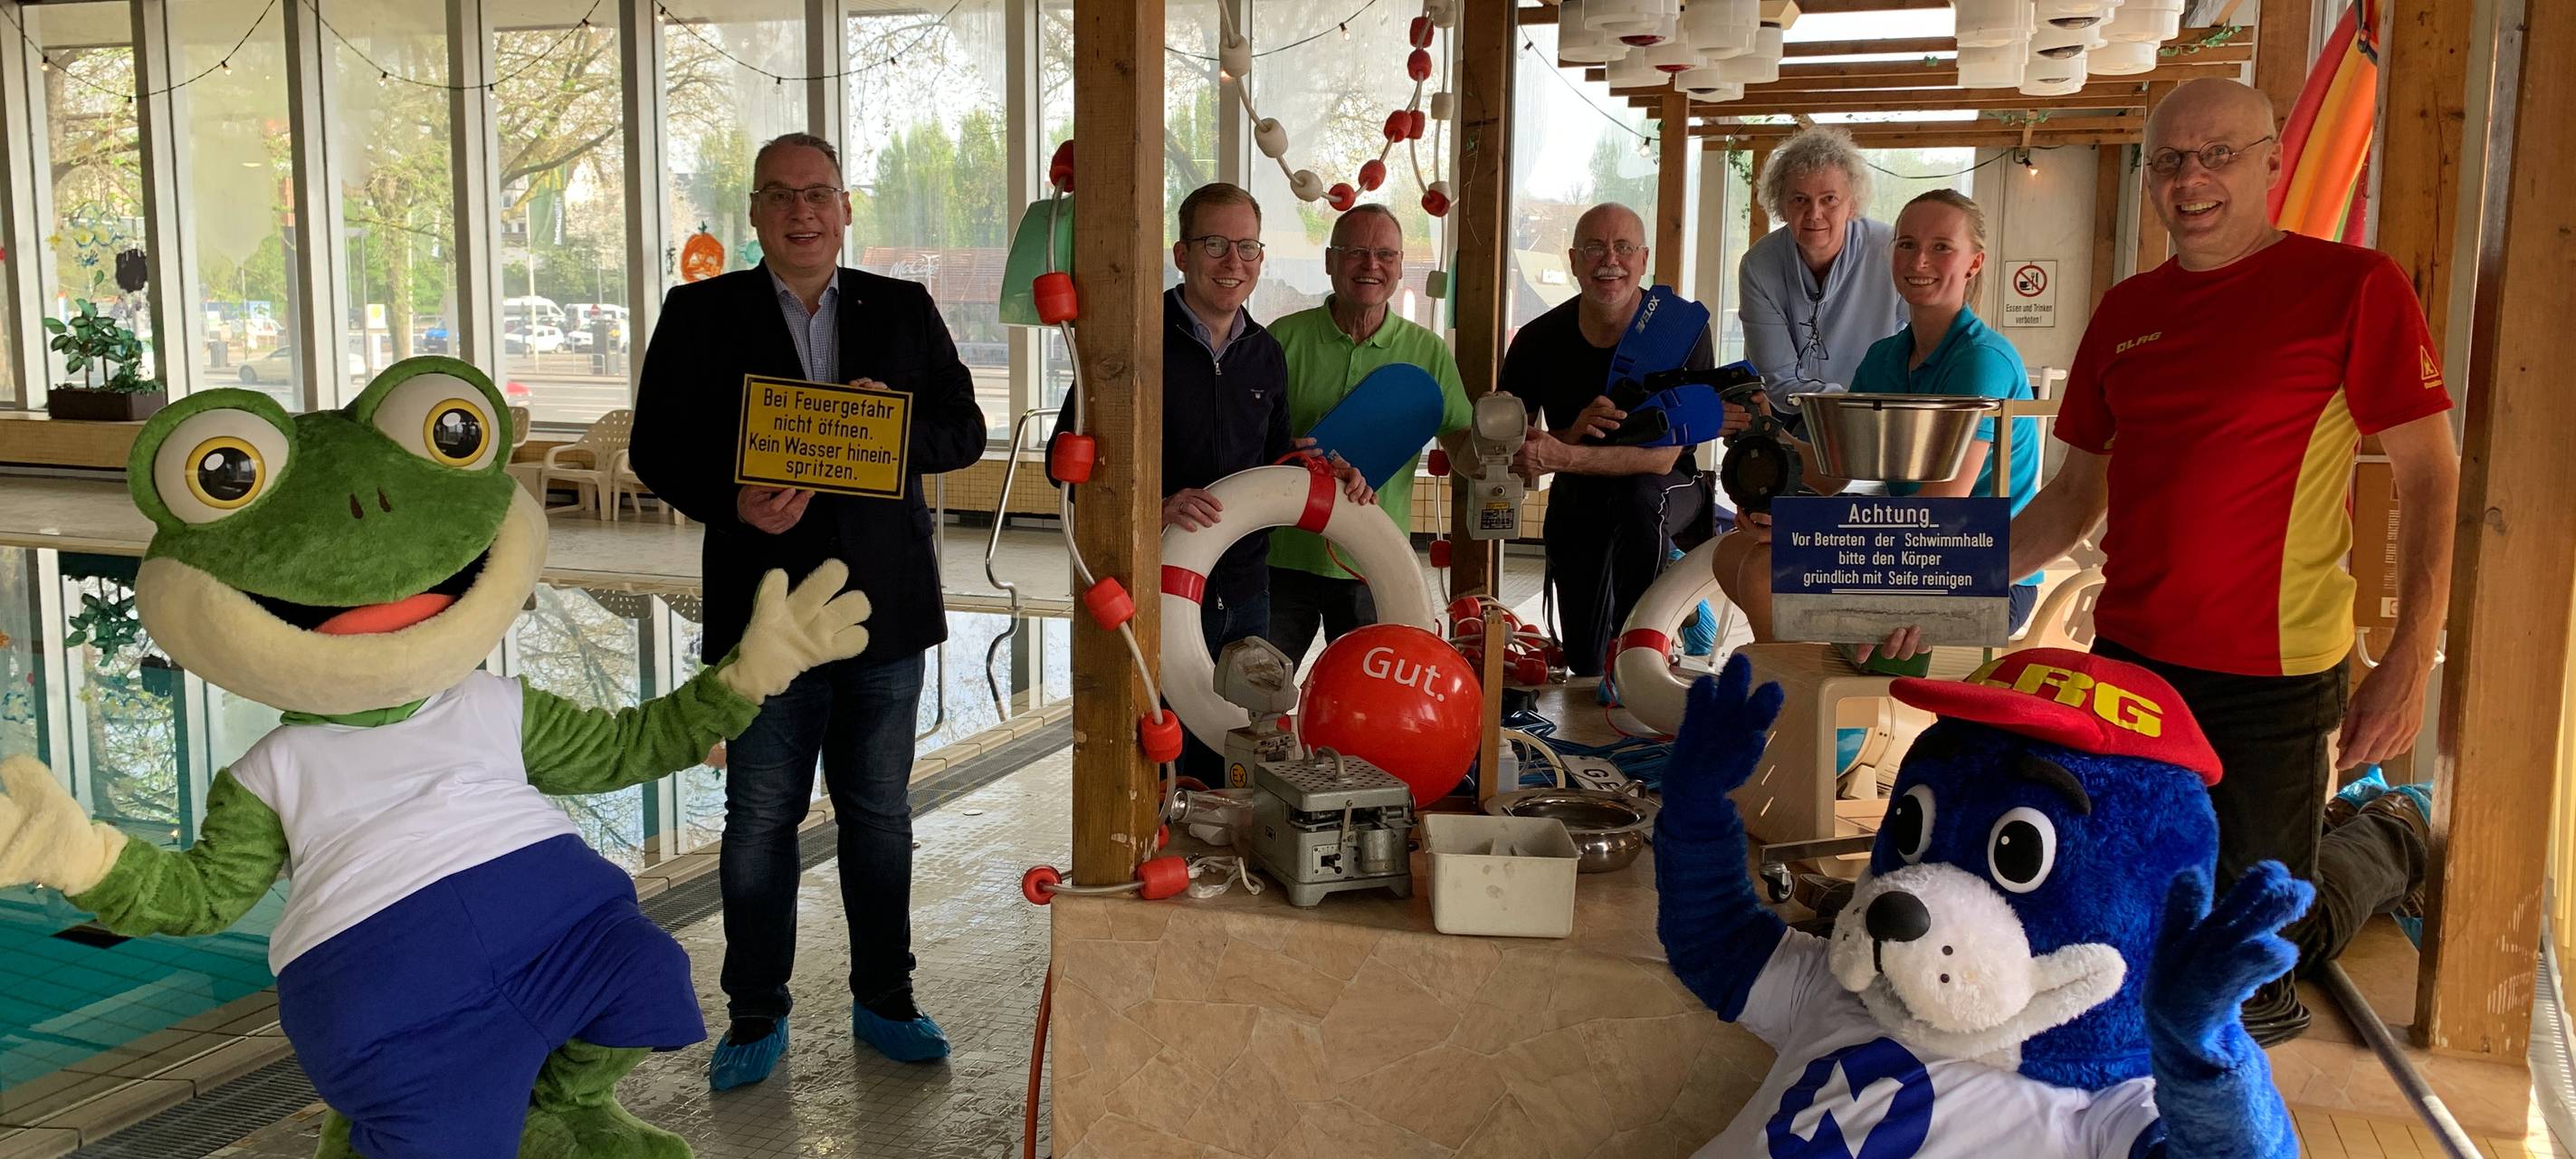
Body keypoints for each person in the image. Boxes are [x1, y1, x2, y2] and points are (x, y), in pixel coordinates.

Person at [1866, 78, 2460, 1044]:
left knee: (2246, 962)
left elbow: (2432, 476)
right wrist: (1940, 586)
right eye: (2170, 160)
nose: (2191, 179)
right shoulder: (2126, 311)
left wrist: (2408, 653)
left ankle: (2388, 834)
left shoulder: (2353, 287)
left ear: (2271, 159)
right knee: (2126, 913)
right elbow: (2067, 498)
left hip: (2273, 672)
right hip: (2133, 669)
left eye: (2217, 154)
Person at [628, 131, 990, 1087]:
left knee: (878, 815)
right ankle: (755, 1009)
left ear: (844, 208)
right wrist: (730, 494)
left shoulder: (902, 309)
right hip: (763, 614)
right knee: (758, 818)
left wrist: (895, 414)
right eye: (780, 195)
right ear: (753, 211)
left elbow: (965, 429)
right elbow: (656, 447)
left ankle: (886, 997)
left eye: (818, 193)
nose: (801, 211)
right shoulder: (699, 312)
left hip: (882, 609)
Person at [1048, 183, 1369, 784]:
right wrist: (1158, 505)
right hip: (1148, 584)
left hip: (1245, 591)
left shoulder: (1265, 353)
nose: (1233, 263)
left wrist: (1327, 474)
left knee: (1236, 758)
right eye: (1216, 244)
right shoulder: (1131, 343)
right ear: (1181, 253)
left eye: (1247, 246)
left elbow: (1275, 461)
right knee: (1148, 762)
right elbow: (1062, 468)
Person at [1713, 188, 2043, 642]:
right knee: (1733, 552)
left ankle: (1801, 698)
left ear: (1974, 263)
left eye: (1941, 247)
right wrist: (1769, 435)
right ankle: (1809, 691)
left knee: (1765, 572)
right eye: (1906, 244)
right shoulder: (1884, 357)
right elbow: (1840, 476)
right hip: (1912, 549)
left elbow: (1942, 505)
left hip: (1982, 571)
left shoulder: (1982, 359)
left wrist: (1809, 531)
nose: (1918, 261)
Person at [1503, 203, 1743, 681]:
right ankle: (1638, 614)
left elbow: (1661, 460)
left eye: (1623, 248)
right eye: (1594, 248)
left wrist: (1567, 454)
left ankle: (1644, 649)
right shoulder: (1536, 341)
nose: (1609, 259)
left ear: (1643, 258)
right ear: (1573, 260)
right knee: (1587, 664)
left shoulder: (1681, 330)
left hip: (1668, 487)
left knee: (1639, 501)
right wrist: (1564, 438)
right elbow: (1513, 459)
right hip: (1580, 495)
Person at [1265, 204, 1472, 666]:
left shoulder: (1427, 352)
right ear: (1330, 261)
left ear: (1400, 267)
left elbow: (1461, 444)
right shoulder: (1281, 339)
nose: (1371, 265)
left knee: (1371, 698)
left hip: (1372, 557)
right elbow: (1246, 441)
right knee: (1254, 696)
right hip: (1282, 556)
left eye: (1385, 254)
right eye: (1356, 252)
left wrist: (1502, 446)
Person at [1738, 126, 1907, 417]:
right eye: (1800, 199)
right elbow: (1778, 377)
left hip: (1880, 413)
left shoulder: (1889, 251)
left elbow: (1928, 336)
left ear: (1852, 204)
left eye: (1829, 199)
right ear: (1780, 204)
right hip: (1790, 411)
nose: (1814, 213)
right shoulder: (1759, 265)